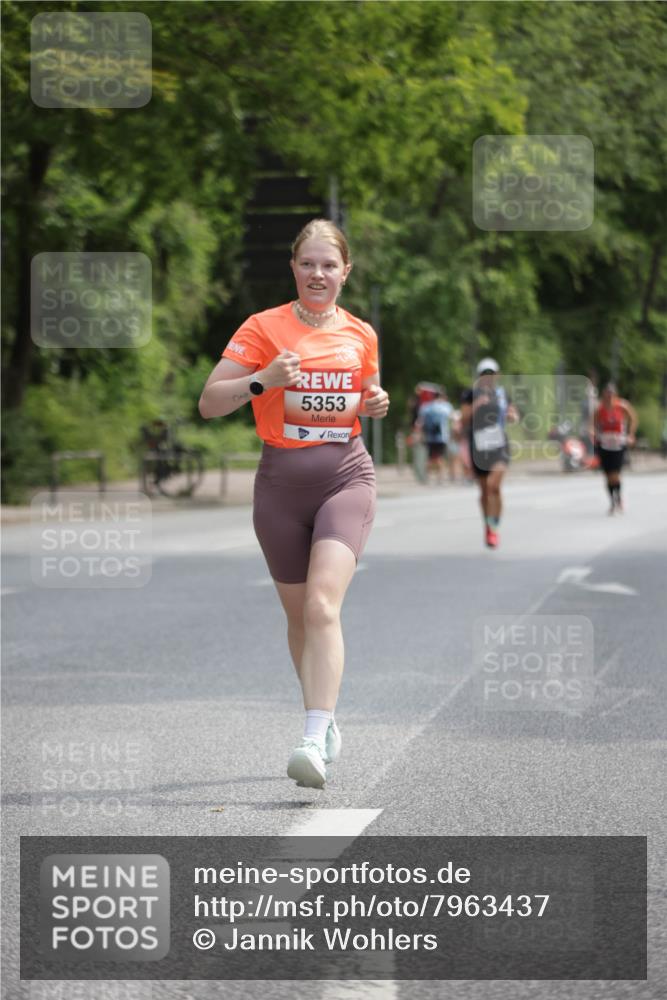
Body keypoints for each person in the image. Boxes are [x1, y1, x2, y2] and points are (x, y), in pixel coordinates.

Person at [198, 219, 390, 789]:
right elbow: (209, 403)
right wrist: (263, 380)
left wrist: (375, 403)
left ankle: (311, 736)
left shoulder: (362, 333)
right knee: (298, 616)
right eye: (308, 263)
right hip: (279, 487)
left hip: (345, 477)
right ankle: (325, 716)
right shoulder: (263, 327)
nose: (318, 273)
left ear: (345, 273)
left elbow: (367, 396)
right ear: (293, 269)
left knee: (322, 607)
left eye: (329, 265)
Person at [460, 358, 518, 548]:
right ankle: (488, 525)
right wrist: (477, 405)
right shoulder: (470, 394)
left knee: (494, 486)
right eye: (484, 374)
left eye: (491, 374)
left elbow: (513, 414)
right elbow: (464, 419)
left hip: (499, 443)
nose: (488, 378)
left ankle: (494, 526)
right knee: (485, 491)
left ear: (497, 375)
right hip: (478, 445)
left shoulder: (502, 394)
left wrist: (512, 416)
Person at [593, 382, 637, 514]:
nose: (609, 397)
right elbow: (592, 424)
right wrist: (593, 433)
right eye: (607, 394)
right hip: (604, 445)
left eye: (611, 394)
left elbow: (633, 419)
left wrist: (630, 435)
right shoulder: (599, 409)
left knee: (615, 475)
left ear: (615, 395)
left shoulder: (622, 406)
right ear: (604, 395)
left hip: (618, 445)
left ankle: (618, 498)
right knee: (607, 475)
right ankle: (612, 502)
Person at [417, 389, 454, 484]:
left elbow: (420, 422)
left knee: (429, 457)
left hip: (429, 436)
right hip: (442, 436)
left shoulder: (426, 407)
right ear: (441, 397)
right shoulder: (446, 407)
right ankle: (440, 478)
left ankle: (427, 478)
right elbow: (452, 419)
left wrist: (420, 434)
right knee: (440, 457)